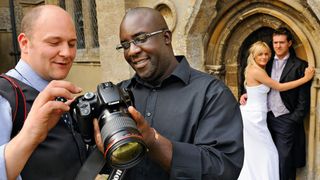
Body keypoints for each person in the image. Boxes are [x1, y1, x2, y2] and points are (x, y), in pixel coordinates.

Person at [104, 7, 244, 179]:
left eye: (141, 38)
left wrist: (154, 141)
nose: (132, 51)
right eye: (125, 45)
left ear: (166, 37)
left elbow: (223, 169)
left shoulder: (212, 94)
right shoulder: (117, 96)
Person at [0, 5, 87, 180]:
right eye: (54, 43)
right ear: (25, 43)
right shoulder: (5, 96)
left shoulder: (57, 90)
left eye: (72, 43)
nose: (67, 53)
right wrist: (29, 135)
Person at [240, 27, 314, 180]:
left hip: (284, 119)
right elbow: (265, 85)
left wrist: (293, 119)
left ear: (289, 43)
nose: (278, 46)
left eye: (281, 42)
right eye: (275, 42)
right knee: (263, 154)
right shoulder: (264, 62)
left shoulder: (300, 65)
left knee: (284, 158)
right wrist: (248, 94)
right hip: (263, 117)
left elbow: (303, 97)